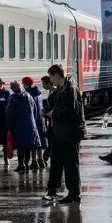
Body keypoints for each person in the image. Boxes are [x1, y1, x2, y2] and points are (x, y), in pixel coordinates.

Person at [43, 64, 85, 204]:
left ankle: (74, 193)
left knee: (71, 164)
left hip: (70, 132)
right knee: (56, 162)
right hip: (59, 132)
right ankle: (52, 190)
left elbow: (71, 111)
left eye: (51, 77)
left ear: (56, 75)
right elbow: (54, 104)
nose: (50, 81)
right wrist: (48, 110)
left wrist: (52, 114)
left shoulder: (70, 89)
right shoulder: (60, 89)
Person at [6, 80, 41, 174]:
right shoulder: (29, 96)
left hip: (19, 126)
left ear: (12, 89)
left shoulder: (13, 99)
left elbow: (10, 114)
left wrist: (9, 127)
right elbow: (35, 110)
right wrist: (33, 121)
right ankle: (26, 164)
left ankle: (21, 165)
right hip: (30, 125)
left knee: (21, 147)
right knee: (28, 146)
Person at [22, 76, 48, 170]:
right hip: (40, 120)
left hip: (33, 120)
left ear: (25, 84)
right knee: (40, 140)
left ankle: (34, 161)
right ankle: (41, 160)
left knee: (34, 141)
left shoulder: (28, 95)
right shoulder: (38, 93)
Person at [41, 75, 56, 164]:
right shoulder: (51, 91)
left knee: (51, 141)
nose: (42, 86)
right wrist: (44, 109)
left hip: (53, 122)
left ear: (48, 83)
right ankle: (46, 157)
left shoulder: (54, 92)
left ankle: (46, 157)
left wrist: (46, 114)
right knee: (50, 140)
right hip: (51, 122)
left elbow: (54, 107)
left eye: (43, 84)